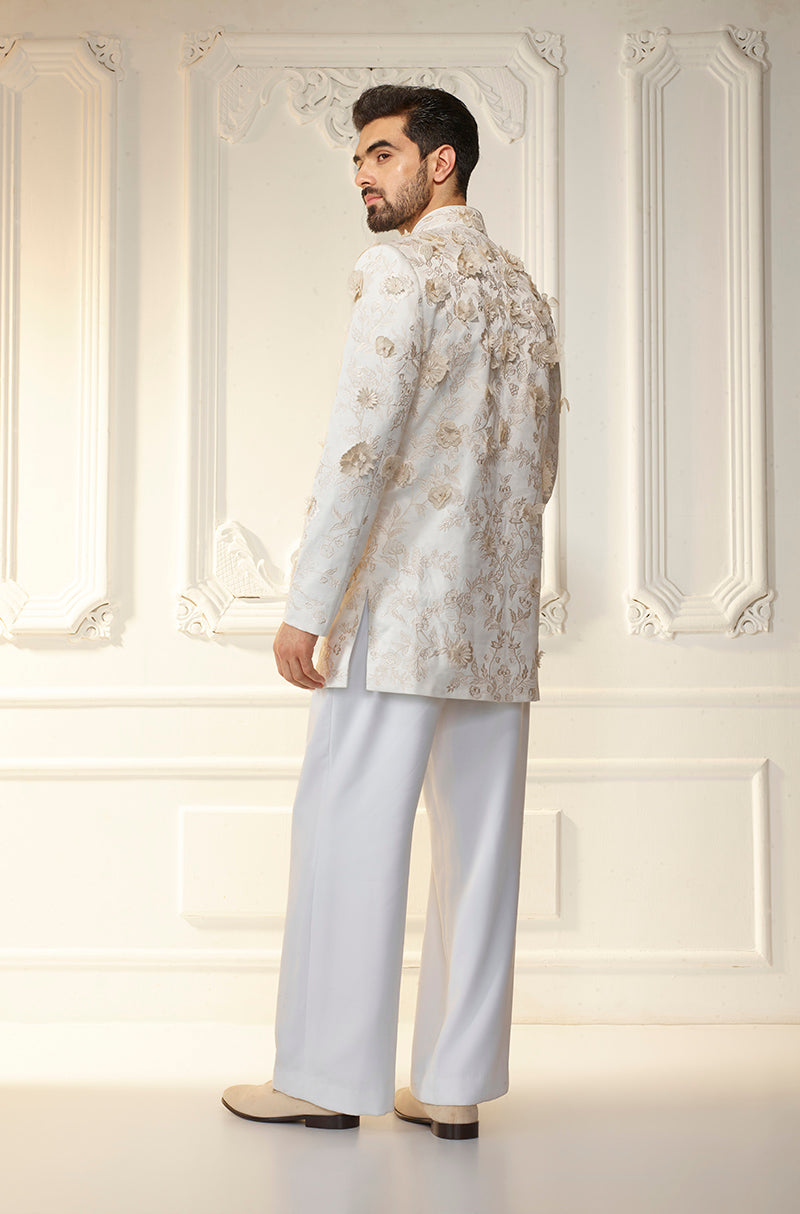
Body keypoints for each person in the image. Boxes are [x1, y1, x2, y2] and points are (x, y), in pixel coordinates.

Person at [222, 83, 562, 1140]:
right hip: (497, 617)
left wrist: (309, 603)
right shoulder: (523, 292)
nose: (363, 176)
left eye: (381, 153)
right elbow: (543, 465)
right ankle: (452, 1087)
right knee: (479, 854)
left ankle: (325, 1078)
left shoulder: (398, 273)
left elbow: (358, 448)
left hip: (399, 608)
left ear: (440, 161)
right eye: (359, 160)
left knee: (345, 829)